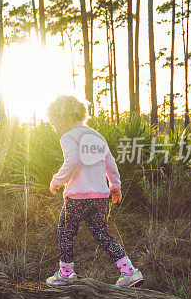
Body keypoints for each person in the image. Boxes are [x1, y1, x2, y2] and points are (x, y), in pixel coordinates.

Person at [44, 95, 143, 288]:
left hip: (77, 198)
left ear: (63, 118)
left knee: (65, 232)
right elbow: (110, 163)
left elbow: (72, 161)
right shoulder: (96, 136)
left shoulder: (68, 136)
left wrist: (57, 180)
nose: (54, 129)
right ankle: (129, 271)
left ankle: (66, 274)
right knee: (102, 234)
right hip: (99, 197)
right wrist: (115, 186)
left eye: (54, 123)